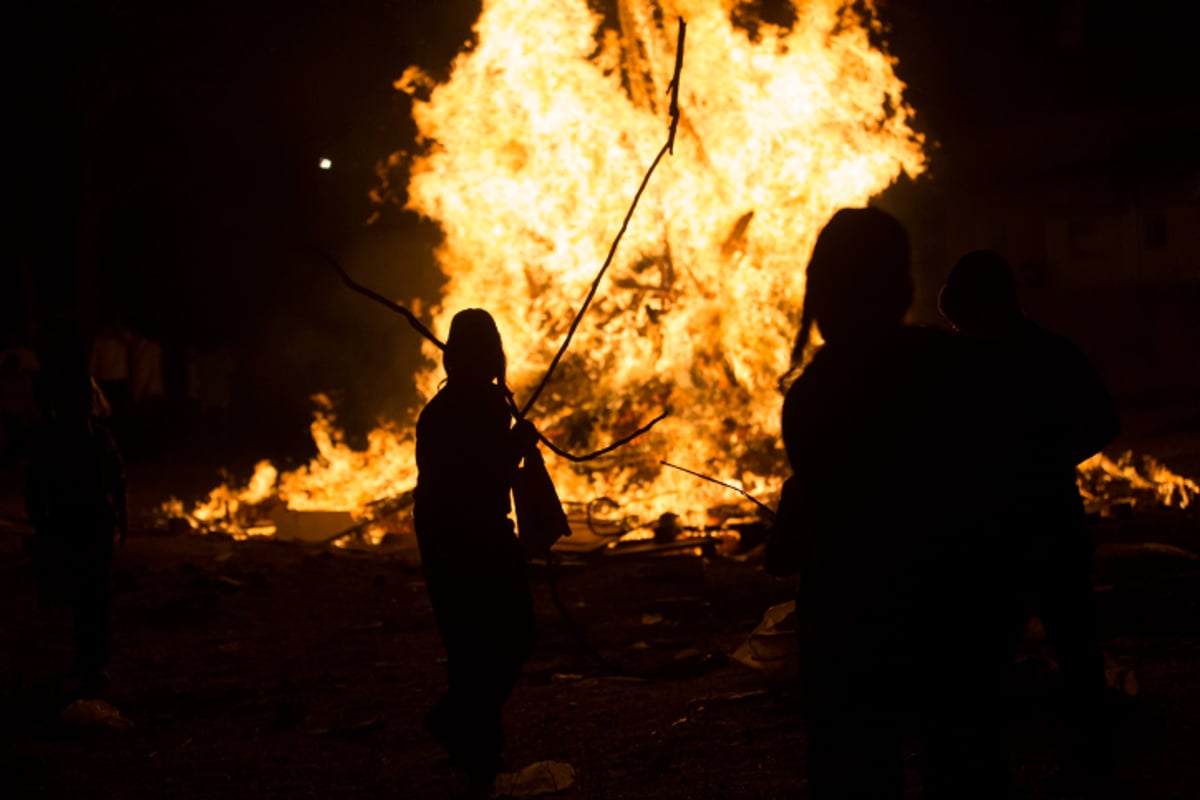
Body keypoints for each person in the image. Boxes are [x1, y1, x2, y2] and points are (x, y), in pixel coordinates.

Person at [766, 208, 1014, 799]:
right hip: (954, 616)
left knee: (855, 770)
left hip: (851, 626)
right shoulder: (959, 369)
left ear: (820, 294)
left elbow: (825, 517)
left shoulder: (812, 397)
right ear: (904, 287)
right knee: (965, 767)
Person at [940, 249, 1120, 783]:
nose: (963, 330)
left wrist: (1044, 458)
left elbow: (1103, 421)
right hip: (990, 533)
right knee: (983, 657)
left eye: (968, 318)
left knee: (1073, 648)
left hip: (1046, 526)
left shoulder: (1050, 356)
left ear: (995, 304)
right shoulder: (963, 363)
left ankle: (1093, 758)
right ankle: (987, 765)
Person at [414, 308, 539, 785]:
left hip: (444, 536)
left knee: (470, 644)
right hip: (475, 536)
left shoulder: (444, 408)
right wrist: (517, 445)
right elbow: (483, 475)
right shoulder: (481, 406)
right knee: (510, 635)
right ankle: (462, 728)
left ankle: (474, 745)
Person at [24, 366, 127, 698]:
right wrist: (40, 522)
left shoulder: (100, 438)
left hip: (94, 523)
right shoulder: (50, 439)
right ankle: (89, 658)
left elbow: (117, 481)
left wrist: (121, 518)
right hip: (69, 523)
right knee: (82, 594)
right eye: (78, 398)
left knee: (93, 594)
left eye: (86, 398)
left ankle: (95, 662)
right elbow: (34, 485)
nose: (83, 404)